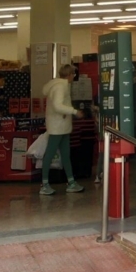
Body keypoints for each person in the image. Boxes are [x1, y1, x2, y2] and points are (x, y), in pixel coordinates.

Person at [40, 63, 85, 195]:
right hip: (57, 126)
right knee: (50, 154)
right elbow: (58, 106)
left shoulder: (57, 85)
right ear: (70, 75)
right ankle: (45, 184)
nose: (74, 77)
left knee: (65, 154)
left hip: (61, 125)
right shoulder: (61, 86)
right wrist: (74, 111)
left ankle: (71, 182)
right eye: (73, 74)